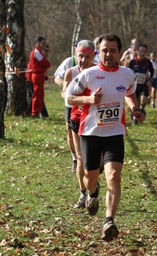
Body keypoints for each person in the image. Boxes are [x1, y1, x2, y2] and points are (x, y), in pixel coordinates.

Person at [66, 33, 145, 242]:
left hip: (114, 133)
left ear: (119, 52)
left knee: (114, 175)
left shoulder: (127, 74)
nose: (108, 54)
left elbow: (129, 93)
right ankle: (92, 192)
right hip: (91, 133)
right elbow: (69, 96)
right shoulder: (89, 74)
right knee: (90, 177)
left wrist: (135, 108)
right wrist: (89, 99)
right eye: (104, 50)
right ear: (97, 52)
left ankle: (109, 220)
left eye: (112, 50)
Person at [62, 40, 96, 209]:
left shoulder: (98, 71)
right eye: (80, 56)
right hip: (76, 117)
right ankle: (84, 193)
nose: (83, 60)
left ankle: (91, 182)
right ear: (76, 55)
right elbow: (66, 94)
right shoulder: (71, 72)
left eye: (87, 56)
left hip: (97, 120)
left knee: (96, 160)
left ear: (93, 56)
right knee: (81, 159)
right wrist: (79, 99)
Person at [55, 38, 86, 173]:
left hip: (86, 102)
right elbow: (57, 77)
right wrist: (68, 88)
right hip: (70, 102)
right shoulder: (70, 62)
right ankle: (75, 157)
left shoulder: (93, 64)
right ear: (75, 49)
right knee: (70, 130)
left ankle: (87, 157)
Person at [128, 43, 154, 124]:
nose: (142, 53)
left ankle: (141, 109)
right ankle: (134, 118)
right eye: (141, 51)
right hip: (134, 86)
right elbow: (127, 72)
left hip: (143, 85)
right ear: (137, 51)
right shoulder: (132, 62)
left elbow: (152, 72)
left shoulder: (148, 62)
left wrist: (150, 80)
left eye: (144, 51)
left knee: (143, 101)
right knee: (134, 104)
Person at [29, 36, 50, 117]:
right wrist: (47, 65)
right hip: (37, 74)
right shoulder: (36, 52)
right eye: (43, 43)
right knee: (37, 95)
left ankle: (38, 111)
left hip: (39, 74)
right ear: (38, 42)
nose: (44, 45)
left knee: (40, 94)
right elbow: (44, 62)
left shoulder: (38, 51)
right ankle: (35, 112)